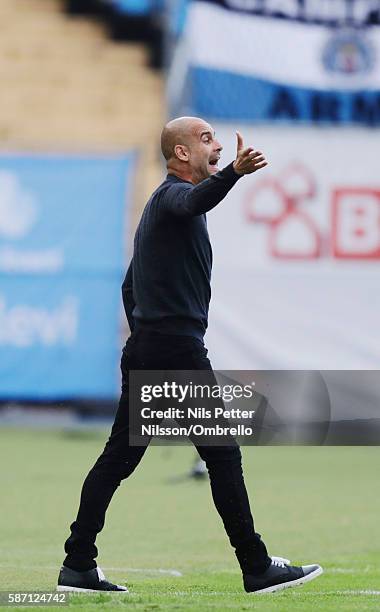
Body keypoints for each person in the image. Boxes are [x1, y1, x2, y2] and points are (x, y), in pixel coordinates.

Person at [57, 117, 323, 595]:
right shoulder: (172, 199)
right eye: (206, 140)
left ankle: (78, 563)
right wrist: (235, 173)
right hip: (174, 349)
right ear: (181, 154)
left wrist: (146, 335)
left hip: (154, 347)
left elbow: (129, 285)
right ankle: (256, 566)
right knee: (221, 455)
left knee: (120, 457)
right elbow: (195, 198)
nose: (217, 145)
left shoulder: (165, 215)